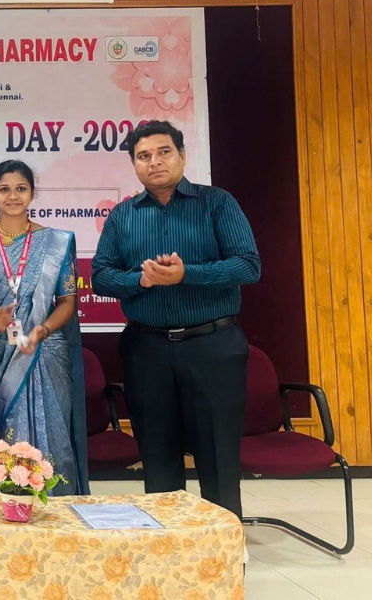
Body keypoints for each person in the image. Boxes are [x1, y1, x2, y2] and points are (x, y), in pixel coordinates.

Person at [91, 120, 261, 518]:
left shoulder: (217, 203)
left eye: (164, 152)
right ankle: (167, 543)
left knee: (218, 454)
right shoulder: (122, 216)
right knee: (157, 453)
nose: (154, 162)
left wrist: (188, 274)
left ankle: (220, 545)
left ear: (182, 155)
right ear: (134, 164)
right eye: (143, 156)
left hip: (212, 346)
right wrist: (141, 280)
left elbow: (248, 266)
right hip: (146, 348)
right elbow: (101, 276)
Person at [0, 160, 89, 495]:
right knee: (1, 435)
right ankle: (0, 505)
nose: (13, 196)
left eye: (21, 189)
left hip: (45, 350)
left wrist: (41, 330)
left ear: (32, 193)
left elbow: (67, 301)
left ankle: (57, 506)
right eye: (4, 189)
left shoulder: (56, 241)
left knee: (53, 433)